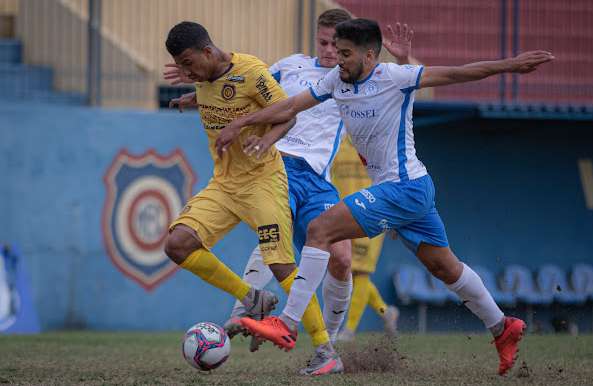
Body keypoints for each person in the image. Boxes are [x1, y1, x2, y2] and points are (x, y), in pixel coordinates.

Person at [217, 18, 554, 376]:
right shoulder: (336, 80)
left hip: (404, 187)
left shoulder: (395, 76)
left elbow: (457, 74)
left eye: (345, 53)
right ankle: (503, 328)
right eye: (333, 49)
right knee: (444, 266)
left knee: (320, 229)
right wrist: (239, 123)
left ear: (370, 54)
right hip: (409, 191)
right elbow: (290, 107)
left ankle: (287, 323)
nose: (337, 59)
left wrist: (511, 65)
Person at [165, 10, 416, 375]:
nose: (330, 51)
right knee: (261, 248)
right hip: (265, 169)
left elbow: (401, 90)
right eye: (324, 42)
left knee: (339, 260)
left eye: (338, 45)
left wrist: (404, 59)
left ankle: (325, 341)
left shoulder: (353, 78)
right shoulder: (289, 67)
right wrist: (194, 94)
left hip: (306, 175)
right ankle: (251, 307)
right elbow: (237, 87)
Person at [162, 22, 333, 373]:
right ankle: (252, 297)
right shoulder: (203, 77)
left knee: (281, 264)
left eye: (189, 63)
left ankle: (325, 350)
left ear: (208, 52)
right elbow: (219, 98)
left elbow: (288, 114)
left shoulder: (251, 72)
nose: (187, 71)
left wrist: (265, 140)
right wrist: (191, 97)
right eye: (181, 66)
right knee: (177, 244)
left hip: (262, 182)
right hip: (224, 184)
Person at [331, 136, 399, 342]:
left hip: (371, 212)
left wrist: (395, 215)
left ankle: (349, 330)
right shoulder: (335, 137)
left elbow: (392, 177)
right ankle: (386, 312)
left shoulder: (375, 138)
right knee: (347, 271)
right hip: (340, 213)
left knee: (359, 271)